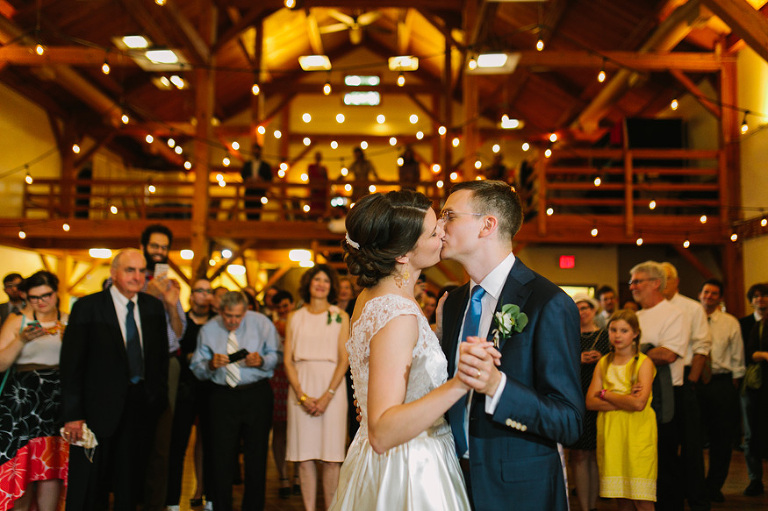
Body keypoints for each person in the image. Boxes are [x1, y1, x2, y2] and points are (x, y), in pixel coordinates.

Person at [439, 180, 583, 511]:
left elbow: (569, 421)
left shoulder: (548, 303)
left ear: (487, 225)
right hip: (450, 480)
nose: (438, 226)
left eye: (449, 215)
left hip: (518, 489)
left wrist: (497, 387)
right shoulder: (454, 302)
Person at [330, 189, 473, 510]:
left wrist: (434, 334)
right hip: (410, 466)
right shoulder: (398, 314)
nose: (444, 233)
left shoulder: (371, 298)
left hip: (378, 462)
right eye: (435, 232)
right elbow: (382, 431)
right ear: (403, 255)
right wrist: (461, 383)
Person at [61, 249, 169, 511]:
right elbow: (72, 364)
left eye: (141, 271)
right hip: (97, 409)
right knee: (91, 484)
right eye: (130, 270)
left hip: (140, 407)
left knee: (130, 482)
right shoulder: (88, 307)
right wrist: (73, 414)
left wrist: (156, 399)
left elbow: (158, 359)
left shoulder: (152, 307)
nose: (136, 276)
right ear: (113, 273)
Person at [190, 291, 281, 511]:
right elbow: (196, 368)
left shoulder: (262, 324)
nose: (233, 321)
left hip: (255, 393)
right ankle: (221, 506)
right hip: (222, 395)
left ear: (246, 311)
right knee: (221, 457)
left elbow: (277, 355)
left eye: (238, 316)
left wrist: (262, 360)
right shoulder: (209, 329)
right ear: (220, 311)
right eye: (229, 315)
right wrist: (211, 365)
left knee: (256, 456)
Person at [0, 271, 68, 511]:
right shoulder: (17, 320)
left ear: (56, 293)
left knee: (50, 468)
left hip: (56, 400)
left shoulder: (67, 321)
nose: (41, 302)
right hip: (23, 402)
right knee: (23, 465)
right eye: (34, 297)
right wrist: (21, 340)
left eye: (45, 295)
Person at [285, 265, 350, 511]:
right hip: (301, 386)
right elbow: (288, 360)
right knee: (304, 457)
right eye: (316, 279)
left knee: (332, 458)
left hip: (331, 389)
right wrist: (301, 395)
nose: (321, 284)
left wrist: (327, 396)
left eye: (325, 280)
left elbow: (344, 359)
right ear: (308, 284)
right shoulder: (295, 316)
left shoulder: (340, 317)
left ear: (331, 286)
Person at [629, 261, 688, 511]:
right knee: (642, 460)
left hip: (665, 398)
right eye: (631, 282)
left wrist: (632, 354)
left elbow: (668, 355)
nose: (632, 287)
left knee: (664, 462)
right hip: (634, 395)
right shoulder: (636, 317)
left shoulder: (675, 314)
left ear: (656, 283)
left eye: (637, 281)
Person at [586, 309, 657, 511]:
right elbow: (590, 402)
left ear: (635, 333)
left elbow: (638, 404)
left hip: (638, 432)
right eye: (613, 330)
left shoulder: (643, 362)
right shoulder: (604, 362)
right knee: (621, 497)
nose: (617, 335)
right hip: (611, 433)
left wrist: (606, 394)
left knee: (642, 498)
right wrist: (625, 397)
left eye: (624, 330)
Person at [660, 262, 710, 511]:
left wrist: (691, 383)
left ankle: (698, 500)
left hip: (685, 379)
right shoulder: (652, 309)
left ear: (676, 281)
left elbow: (701, 348)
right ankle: (671, 499)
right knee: (666, 446)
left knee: (691, 445)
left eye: (666, 278)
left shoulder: (691, 307)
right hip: (659, 381)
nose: (661, 282)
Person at [166, 279, 217, 511]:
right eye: (200, 291)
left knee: (210, 445)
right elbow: (176, 349)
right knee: (177, 445)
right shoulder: (182, 321)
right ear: (191, 295)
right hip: (185, 390)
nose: (204, 295)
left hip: (211, 390)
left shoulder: (218, 323)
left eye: (208, 291)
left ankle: (207, 495)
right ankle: (172, 501)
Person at [697, 279, 744, 502]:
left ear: (720, 298)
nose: (709, 296)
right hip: (695, 381)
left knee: (721, 439)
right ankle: (693, 486)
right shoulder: (690, 318)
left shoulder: (730, 322)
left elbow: (738, 355)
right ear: (700, 294)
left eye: (714, 293)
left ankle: (714, 486)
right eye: (706, 292)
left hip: (722, 383)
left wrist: (734, 381)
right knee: (693, 437)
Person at [569, 293, 611, 511]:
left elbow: (615, 364)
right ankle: (584, 506)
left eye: (585, 308)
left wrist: (601, 359)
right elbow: (559, 363)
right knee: (578, 454)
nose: (582, 312)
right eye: (577, 308)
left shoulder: (605, 336)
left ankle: (593, 505)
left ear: (594, 310)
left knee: (595, 453)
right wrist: (578, 359)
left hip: (599, 398)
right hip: (576, 396)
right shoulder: (568, 335)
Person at [269, 289, 299, 499]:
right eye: (280, 307)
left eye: (286, 306)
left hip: (297, 375)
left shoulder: (299, 321)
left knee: (297, 427)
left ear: (292, 305)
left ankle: (298, 474)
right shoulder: (271, 326)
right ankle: (283, 476)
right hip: (278, 376)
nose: (283, 310)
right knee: (279, 427)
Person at [740, 282, 768, 496]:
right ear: (751, 301)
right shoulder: (743, 324)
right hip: (751, 386)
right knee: (750, 434)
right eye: (756, 296)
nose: (761, 299)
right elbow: (743, 354)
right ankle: (755, 479)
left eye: (765, 295)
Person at [241, 143, 273, 220]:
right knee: (248, 211)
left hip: (260, 192)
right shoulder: (247, 164)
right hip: (249, 191)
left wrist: (262, 180)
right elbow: (243, 174)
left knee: (257, 212)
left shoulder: (265, 165)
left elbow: (270, 177)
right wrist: (247, 179)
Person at [307, 151, 329, 219]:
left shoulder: (323, 168)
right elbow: (311, 178)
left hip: (321, 192)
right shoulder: (311, 167)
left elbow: (326, 180)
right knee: (314, 208)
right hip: (315, 191)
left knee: (320, 208)